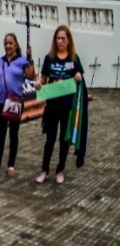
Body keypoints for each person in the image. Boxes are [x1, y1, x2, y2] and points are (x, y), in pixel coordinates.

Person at [35, 25, 84, 185]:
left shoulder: (74, 59)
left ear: (68, 40)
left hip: (67, 106)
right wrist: (39, 83)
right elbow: (43, 78)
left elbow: (80, 76)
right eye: (58, 38)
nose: (60, 41)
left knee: (64, 139)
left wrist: (77, 76)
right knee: (50, 138)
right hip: (52, 105)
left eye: (63, 38)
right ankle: (44, 169)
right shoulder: (50, 58)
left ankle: (60, 170)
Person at [0, 34, 35, 177]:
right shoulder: (0, 61)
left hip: (15, 101)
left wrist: (30, 59)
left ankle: (11, 165)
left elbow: (30, 75)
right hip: (1, 101)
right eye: (6, 43)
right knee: (1, 134)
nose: (8, 46)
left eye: (10, 43)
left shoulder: (22, 60)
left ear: (16, 45)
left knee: (13, 133)